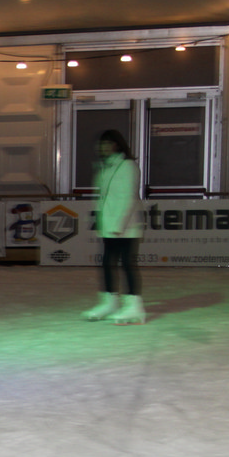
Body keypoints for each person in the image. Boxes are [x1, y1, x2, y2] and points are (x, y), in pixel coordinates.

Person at [82, 129, 145, 324]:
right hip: (109, 226)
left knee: (127, 264)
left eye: (107, 143)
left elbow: (128, 197)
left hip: (126, 227)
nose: (103, 147)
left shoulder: (127, 166)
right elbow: (102, 197)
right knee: (107, 263)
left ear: (117, 145)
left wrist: (118, 225)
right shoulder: (105, 167)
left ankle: (134, 307)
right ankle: (110, 302)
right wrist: (101, 222)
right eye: (101, 144)